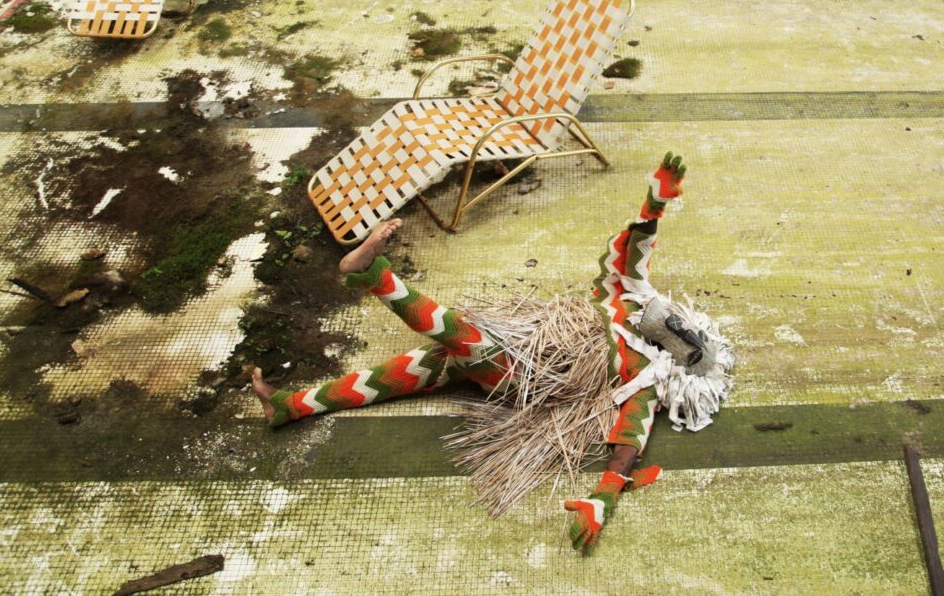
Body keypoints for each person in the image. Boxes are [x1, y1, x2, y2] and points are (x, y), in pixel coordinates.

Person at [250, 154, 719, 554]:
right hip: (525, 332)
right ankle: (290, 405)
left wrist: (603, 498)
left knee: (465, 339)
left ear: (678, 354)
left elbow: (629, 441)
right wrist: (655, 202)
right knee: (400, 374)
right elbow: (634, 254)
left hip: (529, 372)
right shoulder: (631, 300)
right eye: (681, 323)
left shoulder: (647, 376)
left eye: (682, 336)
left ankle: (374, 275)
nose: (675, 324)